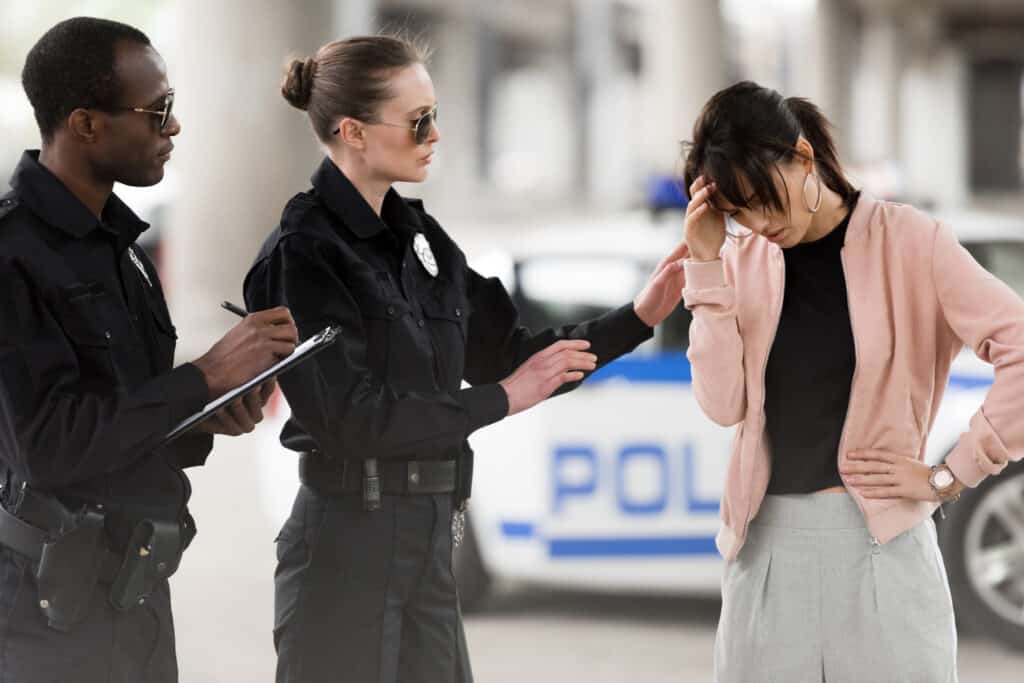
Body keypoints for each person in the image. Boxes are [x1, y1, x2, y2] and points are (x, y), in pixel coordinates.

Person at [242, 35, 689, 683]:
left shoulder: (424, 240)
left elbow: (512, 353)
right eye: (418, 120)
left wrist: (638, 318)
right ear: (353, 132)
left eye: (435, 115)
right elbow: (351, 416)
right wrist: (503, 397)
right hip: (346, 545)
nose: (435, 134)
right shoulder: (302, 253)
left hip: (429, 540)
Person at [680, 80, 1024, 682]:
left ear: (804, 157)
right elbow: (721, 403)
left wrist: (954, 471)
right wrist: (705, 268)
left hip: (882, 553)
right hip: (764, 554)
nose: (758, 223)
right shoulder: (738, 262)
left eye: (764, 198)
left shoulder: (913, 242)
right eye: (738, 212)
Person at [0, 17, 299, 683]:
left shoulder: (124, 250)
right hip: (49, 624)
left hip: (136, 600)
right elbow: (47, 447)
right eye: (158, 110)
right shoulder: (12, 256)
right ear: (85, 125)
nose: (175, 128)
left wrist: (206, 413)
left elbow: (126, 417)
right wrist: (204, 374)